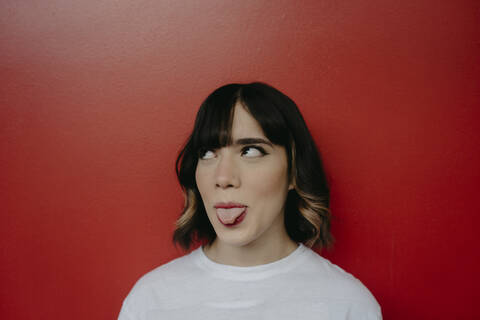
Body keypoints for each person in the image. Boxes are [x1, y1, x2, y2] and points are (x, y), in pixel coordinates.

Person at [118, 82, 382, 320]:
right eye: (208, 152)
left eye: (251, 151)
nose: (223, 177)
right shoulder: (150, 302)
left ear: (293, 171)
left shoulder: (347, 305)